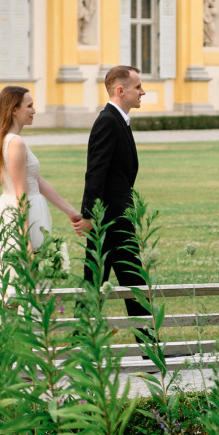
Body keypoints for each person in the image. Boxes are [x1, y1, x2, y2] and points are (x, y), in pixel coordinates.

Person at [0, 86, 86, 287]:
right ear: (14, 109)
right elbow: (22, 194)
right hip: (23, 213)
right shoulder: (15, 143)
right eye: (29, 106)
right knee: (25, 278)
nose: (34, 110)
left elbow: (38, 181)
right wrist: (26, 241)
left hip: (15, 207)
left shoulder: (7, 140)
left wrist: (71, 211)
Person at [81, 65, 147, 308]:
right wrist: (90, 217)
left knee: (125, 283)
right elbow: (95, 173)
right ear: (121, 90)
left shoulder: (119, 120)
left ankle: (149, 342)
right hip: (108, 222)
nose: (143, 92)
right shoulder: (108, 121)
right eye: (138, 87)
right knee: (115, 283)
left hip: (117, 218)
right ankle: (150, 342)